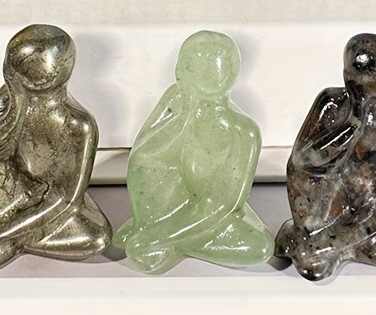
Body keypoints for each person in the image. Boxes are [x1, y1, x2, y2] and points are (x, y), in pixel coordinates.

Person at [275, 33, 376, 281]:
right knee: (307, 176)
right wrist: (354, 119)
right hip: (319, 217)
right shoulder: (331, 104)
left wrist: (340, 240)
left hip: (368, 223)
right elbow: (303, 162)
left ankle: (324, 248)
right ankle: (312, 242)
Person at [0, 24, 111, 272]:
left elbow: (66, 202)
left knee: (97, 238)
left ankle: (3, 238)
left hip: (52, 207)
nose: (13, 76)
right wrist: (16, 108)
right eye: (11, 69)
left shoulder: (78, 125)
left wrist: (0, 234)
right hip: (16, 190)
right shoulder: (8, 97)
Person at [114, 30, 274, 273]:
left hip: (214, 218)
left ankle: (168, 240)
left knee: (260, 247)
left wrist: (158, 236)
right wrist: (185, 117)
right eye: (188, 68)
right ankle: (151, 231)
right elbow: (142, 160)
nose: (183, 77)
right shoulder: (175, 101)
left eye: (206, 71)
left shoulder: (242, 131)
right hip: (163, 207)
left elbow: (221, 205)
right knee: (145, 235)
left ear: (230, 75)